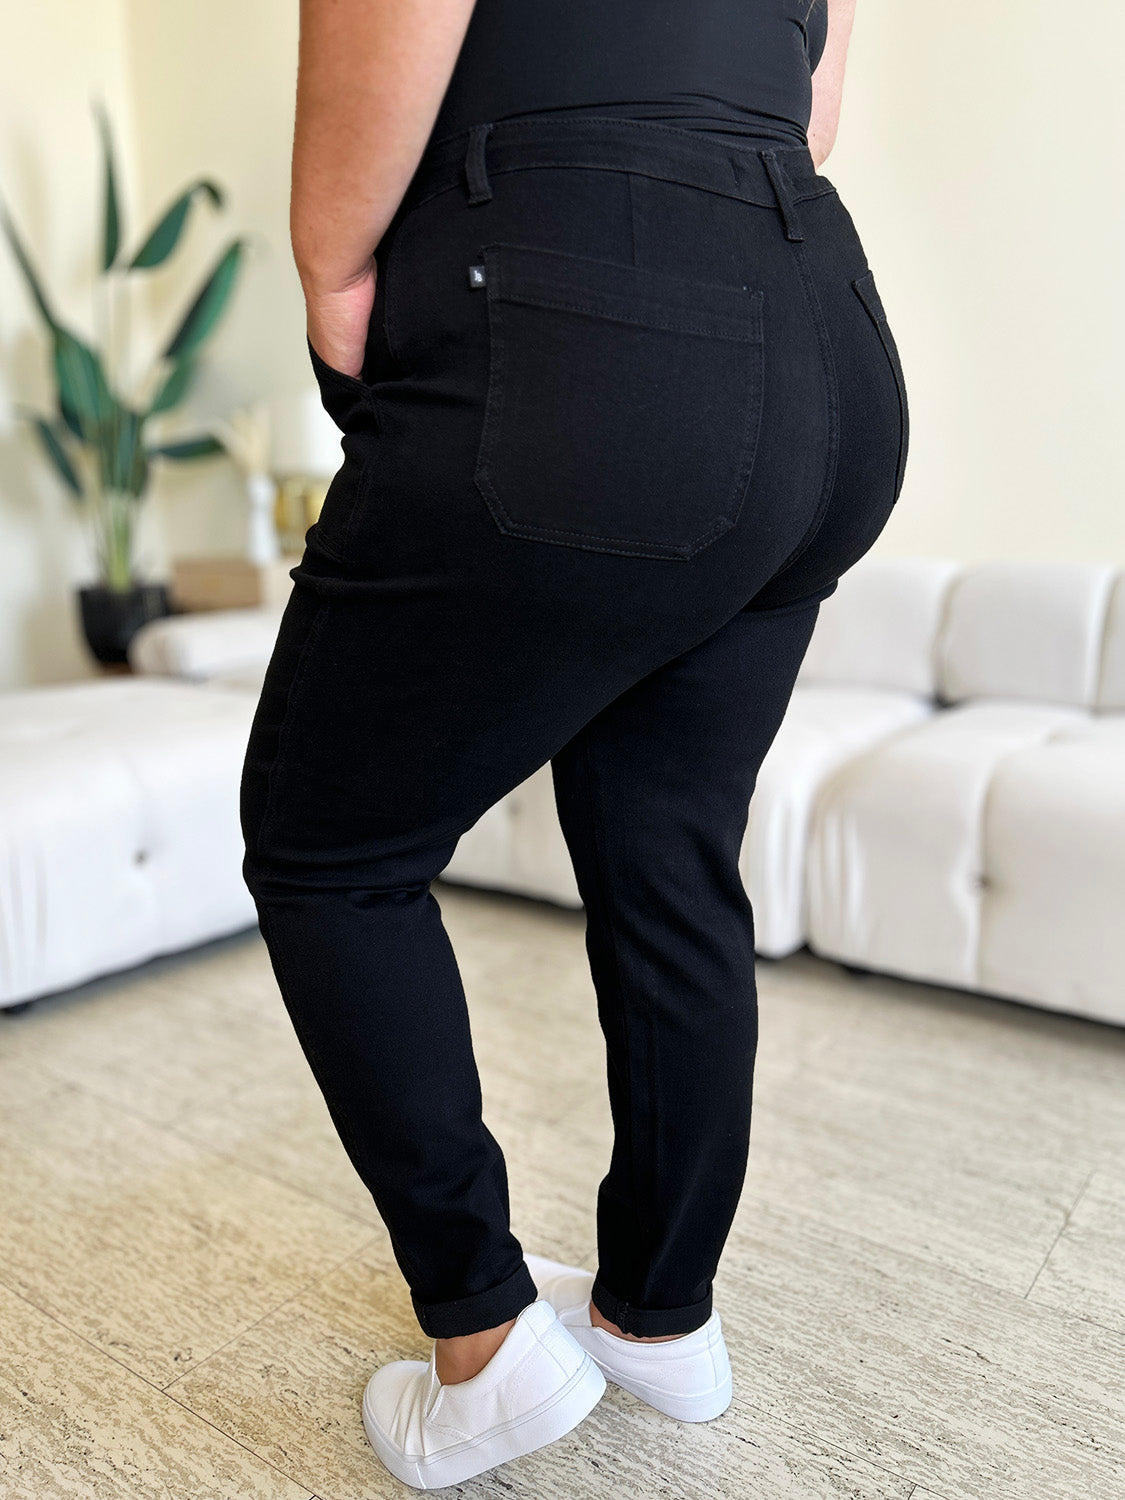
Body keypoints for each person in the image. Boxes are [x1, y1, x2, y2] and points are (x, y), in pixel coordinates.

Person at [240, 0, 907, 1487]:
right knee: (669, 852)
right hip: (825, 335)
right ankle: (658, 1322)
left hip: (586, 309)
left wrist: (335, 265)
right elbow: (809, 104)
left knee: (328, 849)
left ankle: (481, 1340)